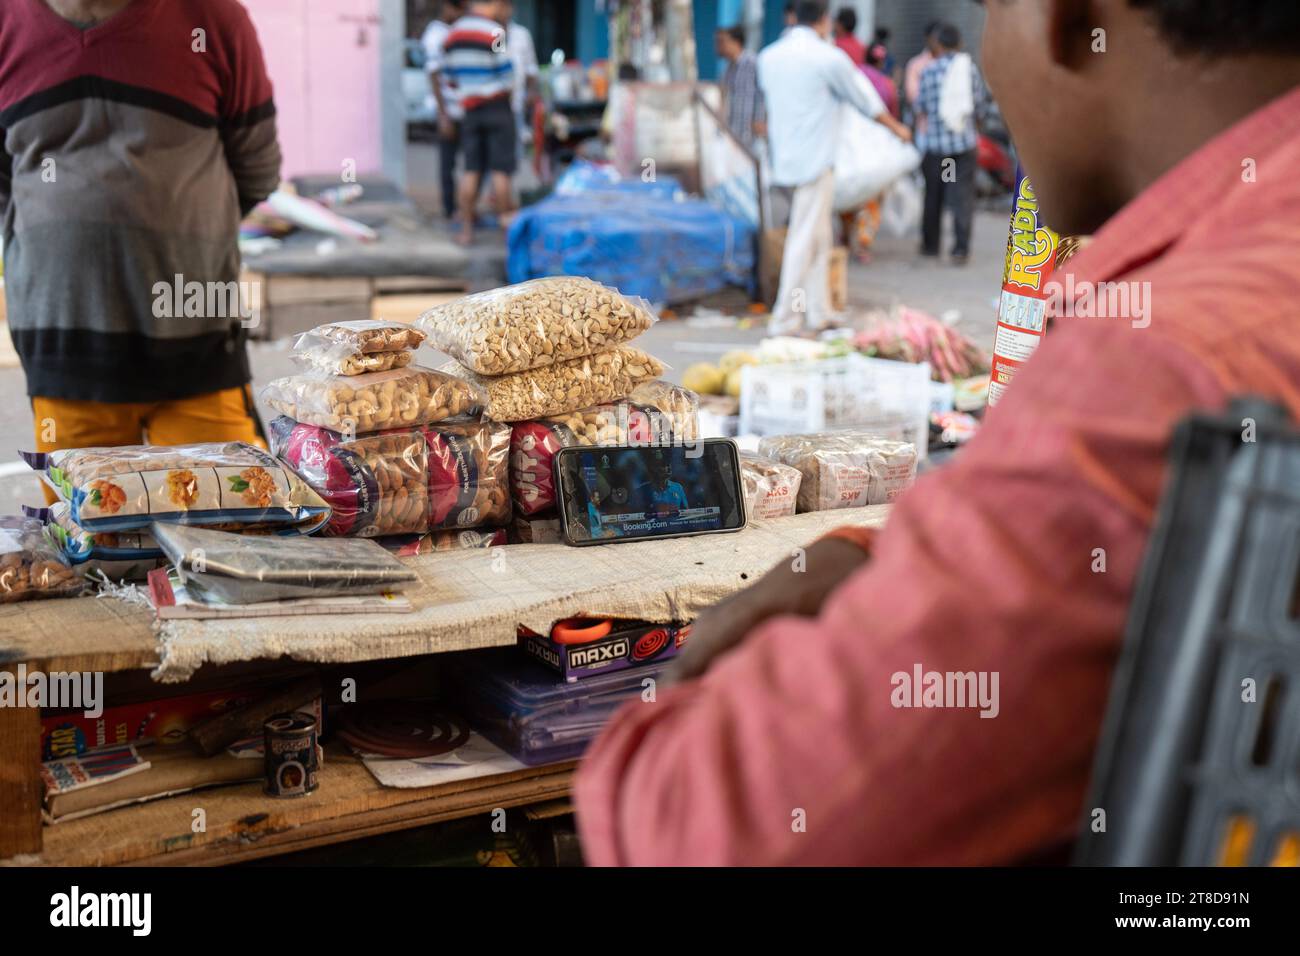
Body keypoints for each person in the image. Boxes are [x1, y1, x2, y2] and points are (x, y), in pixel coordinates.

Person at [575, 0, 1300, 866]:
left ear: (1063, 19)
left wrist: (691, 694)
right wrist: (886, 561)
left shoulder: (1158, 367)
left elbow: (707, 829)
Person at [1, 0, 279, 470]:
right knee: (92, 531)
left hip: (199, 345)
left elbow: (256, 170)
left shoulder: (210, 17)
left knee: (235, 527)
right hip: (66, 358)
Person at [756, 0, 912, 335]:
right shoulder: (828, 57)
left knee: (820, 235)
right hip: (816, 159)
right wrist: (896, 128)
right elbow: (864, 99)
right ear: (825, 20)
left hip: (784, 158)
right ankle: (785, 317)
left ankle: (818, 311)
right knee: (804, 237)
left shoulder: (769, 57)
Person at [431, 0, 515, 245]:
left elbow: (449, 78)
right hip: (497, 108)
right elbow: (508, 75)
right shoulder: (496, 32)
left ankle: (465, 231)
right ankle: (506, 234)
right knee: (501, 172)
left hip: (469, 110)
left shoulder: (452, 35)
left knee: (471, 171)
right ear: (496, 4)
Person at [914, 22, 989, 264]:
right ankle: (960, 249)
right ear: (959, 44)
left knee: (933, 197)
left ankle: (930, 246)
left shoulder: (929, 71)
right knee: (961, 197)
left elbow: (921, 107)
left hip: (937, 149)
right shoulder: (969, 69)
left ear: (938, 45)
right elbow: (979, 105)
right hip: (962, 147)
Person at [422, 0, 466, 220]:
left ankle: (466, 208)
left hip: (465, 108)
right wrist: (443, 115)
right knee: (448, 163)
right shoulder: (435, 34)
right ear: (448, 7)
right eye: (459, 8)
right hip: (447, 109)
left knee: (470, 164)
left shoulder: (459, 29)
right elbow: (434, 75)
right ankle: (450, 209)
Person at [500, 0, 539, 166]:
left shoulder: (522, 34)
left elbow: (531, 69)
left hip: (516, 106)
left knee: (513, 158)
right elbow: (496, 63)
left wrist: (530, 93)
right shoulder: (495, 35)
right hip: (496, 106)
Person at [715, 25, 766, 149]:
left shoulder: (753, 63)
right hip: (734, 136)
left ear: (736, 42)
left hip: (753, 137)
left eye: (722, 41)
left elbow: (763, 93)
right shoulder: (727, 70)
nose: (718, 46)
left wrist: (760, 120)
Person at [903, 20, 940, 128]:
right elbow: (913, 98)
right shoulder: (916, 65)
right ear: (927, 39)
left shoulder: (953, 65)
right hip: (924, 128)